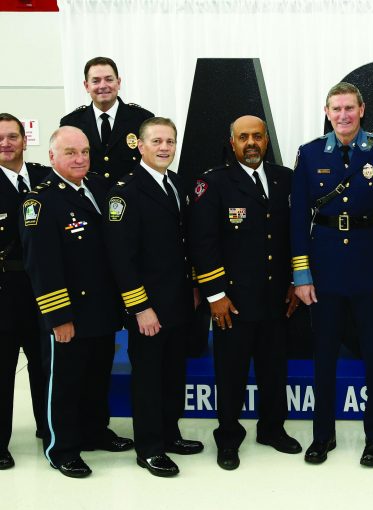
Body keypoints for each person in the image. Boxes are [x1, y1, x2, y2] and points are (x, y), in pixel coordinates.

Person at [291, 82, 373, 467]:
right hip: (323, 265)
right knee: (324, 355)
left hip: (371, 262)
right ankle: (322, 435)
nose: (343, 115)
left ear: (361, 110)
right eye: (336, 109)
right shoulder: (309, 154)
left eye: (349, 108)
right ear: (327, 112)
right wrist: (301, 274)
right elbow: (297, 219)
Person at [189, 115, 300, 470]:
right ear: (232, 142)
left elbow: (294, 236)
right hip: (232, 301)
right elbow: (203, 243)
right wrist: (215, 295)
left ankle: (272, 429)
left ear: (266, 140)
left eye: (257, 136)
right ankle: (228, 438)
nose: (251, 143)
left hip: (276, 297)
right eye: (243, 137)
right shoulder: (213, 183)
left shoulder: (285, 179)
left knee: (274, 369)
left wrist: (295, 281)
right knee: (231, 373)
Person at [19, 126, 131, 478]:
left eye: (84, 151)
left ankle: (95, 431)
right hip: (69, 313)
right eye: (70, 152)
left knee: (97, 377)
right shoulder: (40, 202)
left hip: (101, 309)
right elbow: (41, 265)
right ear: (52, 156)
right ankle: (62, 448)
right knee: (65, 384)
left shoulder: (97, 186)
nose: (80, 158)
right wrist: (58, 316)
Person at [103, 117, 204, 477]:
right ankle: (149, 448)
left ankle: (169, 434)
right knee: (148, 378)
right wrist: (140, 307)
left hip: (178, 301)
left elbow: (183, 244)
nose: (164, 148)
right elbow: (120, 257)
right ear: (140, 146)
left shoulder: (174, 182)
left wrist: (193, 287)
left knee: (173, 374)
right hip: (148, 307)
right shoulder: (125, 192)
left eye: (170, 141)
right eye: (157, 141)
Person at [0, 113, 49, 469]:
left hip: (44, 289)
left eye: (12, 136)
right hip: (5, 289)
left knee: (45, 366)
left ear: (24, 139)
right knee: (3, 370)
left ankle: (50, 430)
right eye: (0, 138)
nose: (5, 143)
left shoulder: (44, 177)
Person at [60, 56, 153, 184]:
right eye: (96, 81)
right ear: (86, 86)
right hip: (89, 195)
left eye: (109, 79)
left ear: (118, 83)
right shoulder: (71, 123)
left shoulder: (143, 120)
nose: (103, 86)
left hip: (133, 195)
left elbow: (152, 165)